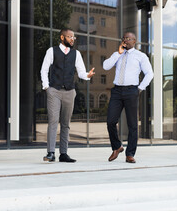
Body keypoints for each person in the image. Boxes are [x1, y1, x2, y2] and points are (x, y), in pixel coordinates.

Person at [40, 28, 95, 163]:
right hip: (54, 91)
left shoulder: (76, 54)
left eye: (73, 37)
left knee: (66, 124)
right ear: (62, 37)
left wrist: (87, 75)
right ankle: (51, 152)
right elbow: (44, 69)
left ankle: (63, 153)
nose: (72, 39)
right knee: (53, 121)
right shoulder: (52, 51)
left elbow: (81, 72)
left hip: (70, 92)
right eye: (70, 37)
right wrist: (46, 87)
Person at [103, 32, 153, 163]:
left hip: (132, 90)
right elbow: (105, 66)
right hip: (117, 91)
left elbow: (149, 74)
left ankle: (130, 154)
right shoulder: (117, 54)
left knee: (132, 125)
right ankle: (117, 147)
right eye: (124, 38)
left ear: (134, 41)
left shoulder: (140, 56)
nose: (125, 40)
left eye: (128, 38)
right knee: (110, 121)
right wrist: (118, 54)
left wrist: (140, 88)